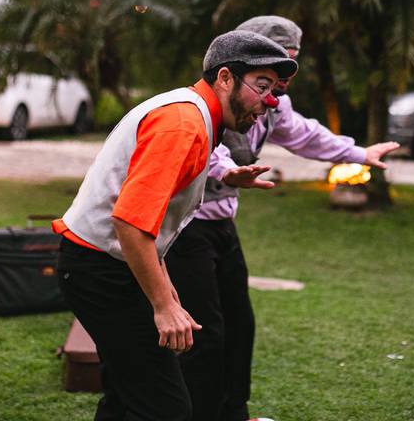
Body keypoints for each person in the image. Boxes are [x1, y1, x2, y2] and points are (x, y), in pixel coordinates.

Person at [52, 30, 298, 421]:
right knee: (164, 408)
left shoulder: (197, 118)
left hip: (106, 265)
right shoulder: (183, 124)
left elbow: (151, 223)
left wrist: (166, 290)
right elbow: (130, 223)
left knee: (128, 398)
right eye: (262, 86)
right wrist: (164, 305)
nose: (270, 102)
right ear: (225, 78)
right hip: (100, 271)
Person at [165, 15, 400, 421]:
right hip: (186, 229)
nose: (285, 75)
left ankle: (234, 413)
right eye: (277, 61)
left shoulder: (275, 104)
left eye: (292, 62)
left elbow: (307, 135)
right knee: (206, 333)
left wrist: (359, 153)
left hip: (222, 225)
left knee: (240, 325)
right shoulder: (214, 100)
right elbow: (207, 143)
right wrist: (227, 172)